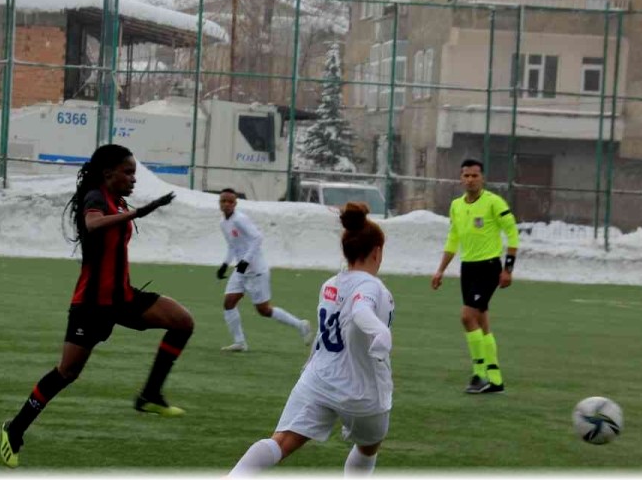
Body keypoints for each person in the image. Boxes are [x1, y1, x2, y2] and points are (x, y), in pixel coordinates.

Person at [0, 144, 194, 469]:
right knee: (67, 373)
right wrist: (138, 212)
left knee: (183, 322)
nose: (133, 178)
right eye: (127, 172)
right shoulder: (95, 197)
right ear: (108, 174)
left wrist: (129, 211)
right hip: (92, 306)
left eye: (134, 172)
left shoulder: (116, 201)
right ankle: (15, 429)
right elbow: (93, 224)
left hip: (124, 298)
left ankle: (149, 396)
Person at [229, 202, 395, 477]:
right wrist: (381, 332)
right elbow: (360, 310)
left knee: (280, 441)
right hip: (361, 390)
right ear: (377, 252)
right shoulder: (371, 286)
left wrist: (309, 365)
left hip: (318, 379)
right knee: (368, 447)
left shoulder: (330, 284)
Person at [431, 158, 519, 395]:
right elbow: (453, 238)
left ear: (482, 178)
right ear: (461, 178)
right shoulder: (456, 206)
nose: (470, 179)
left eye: (475, 175)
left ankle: (479, 374)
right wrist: (441, 269)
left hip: (489, 267)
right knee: (481, 322)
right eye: (466, 176)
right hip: (468, 268)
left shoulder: (494, 203)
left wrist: (508, 268)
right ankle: (495, 378)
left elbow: (512, 233)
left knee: (466, 317)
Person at [216, 188, 313, 351]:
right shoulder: (223, 223)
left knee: (264, 310)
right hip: (240, 271)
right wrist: (225, 264)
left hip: (256, 270)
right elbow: (233, 246)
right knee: (229, 303)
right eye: (223, 201)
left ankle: (301, 325)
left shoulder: (240, 219)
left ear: (235, 203)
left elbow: (257, 238)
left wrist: (246, 261)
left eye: (230, 201)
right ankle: (240, 342)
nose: (226, 204)